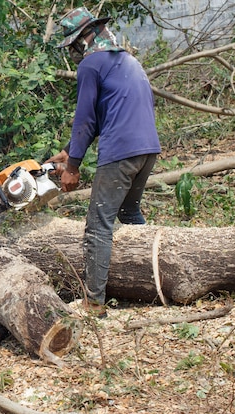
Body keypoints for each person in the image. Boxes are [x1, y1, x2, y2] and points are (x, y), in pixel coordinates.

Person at [45, 6, 162, 317]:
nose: (71, 52)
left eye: (71, 45)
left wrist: (72, 169)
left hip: (120, 151)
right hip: (147, 149)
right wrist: (71, 151)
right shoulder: (129, 61)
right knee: (129, 210)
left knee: (97, 228)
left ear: (83, 39)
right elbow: (103, 114)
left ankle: (94, 303)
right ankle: (159, 277)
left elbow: (84, 118)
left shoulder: (90, 65)